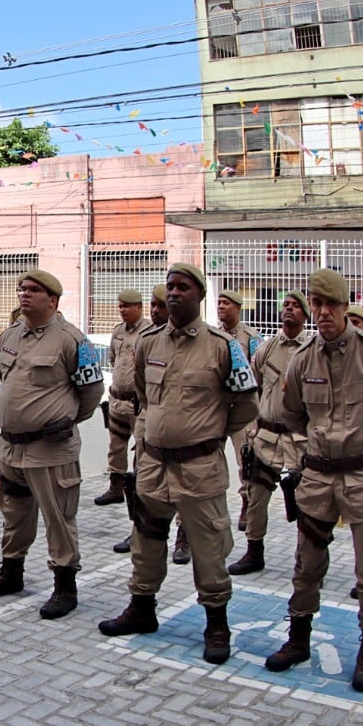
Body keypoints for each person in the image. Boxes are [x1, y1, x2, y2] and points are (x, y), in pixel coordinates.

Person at [263, 267, 363, 692]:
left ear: (346, 306)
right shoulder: (303, 357)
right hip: (316, 477)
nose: (323, 311)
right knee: (306, 566)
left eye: (331, 304)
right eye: (317, 303)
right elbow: (291, 412)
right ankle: (298, 640)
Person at [99, 263, 259, 665]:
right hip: (154, 464)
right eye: (169, 287)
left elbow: (247, 406)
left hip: (199, 467)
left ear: (199, 296)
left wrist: (207, 434)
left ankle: (217, 623)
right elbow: (143, 396)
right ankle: (142, 607)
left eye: (182, 287)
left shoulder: (224, 347)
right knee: (146, 540)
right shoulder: (149, 343)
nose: (173, 293)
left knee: (208, 547)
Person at [0, 270, 104, 618]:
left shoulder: (72, 340)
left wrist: (67, 417)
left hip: (50, 449)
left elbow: (92, 392)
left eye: (33, 290)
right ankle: (11, 572)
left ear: (53, 300)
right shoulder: (11, 334)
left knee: (58, 518)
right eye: (22, 289)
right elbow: (6, 378)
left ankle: (64, 585)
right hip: (12, 447)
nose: (24, 294)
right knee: (14, 514)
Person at [228, 290, 311, 576]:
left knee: (307, 503)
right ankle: (254, 551)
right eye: (285, 305)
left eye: (295, 306)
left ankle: (307, 560)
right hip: (265, 437)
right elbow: (254, 388)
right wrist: (252, 427)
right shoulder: (266, 348)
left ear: (305, 313)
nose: (288, 310)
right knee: (256, 495)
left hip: (299, 440)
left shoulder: (312, 350)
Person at [111, 284, 170, 555]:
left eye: (163, 305)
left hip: (184, 430)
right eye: (153, 305)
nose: (156, 311)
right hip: (145, 415)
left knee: (181, 485)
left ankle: (183, 537)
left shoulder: (211, 343)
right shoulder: (147, 340)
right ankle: (138, 530)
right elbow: (140, 380)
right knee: (142, 477)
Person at [95, 289, 149, 507]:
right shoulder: (117, 332)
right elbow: (113, 358)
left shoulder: (148, 332)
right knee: (116, 446)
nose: (122, 310)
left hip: (138, 403)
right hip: (117, 400)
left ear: (139, 307)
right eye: (120, 306)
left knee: (142, 447)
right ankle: (115, 487)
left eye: (127, 306)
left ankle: (139, 488)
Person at [217, 290, 263, 532]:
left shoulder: (250, 337)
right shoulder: (212, 335)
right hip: (216, 409)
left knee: (245, 460)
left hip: (241, 409)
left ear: (238, 307)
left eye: (226, 303)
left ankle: (246, 503)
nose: (221, 307)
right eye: (219, 303)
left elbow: (260, 371)